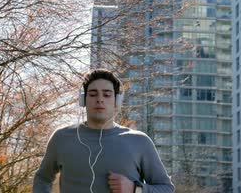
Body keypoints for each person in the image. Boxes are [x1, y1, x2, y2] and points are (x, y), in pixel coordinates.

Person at [33, 69, 174, 193]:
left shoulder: (140, 141)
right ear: (83, 100)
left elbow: (166, 188)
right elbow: (42, 178)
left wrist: (135, 189)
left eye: (106, 95)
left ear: (116, 101)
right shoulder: (62, 137)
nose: (100, 99)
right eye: (93, 94)